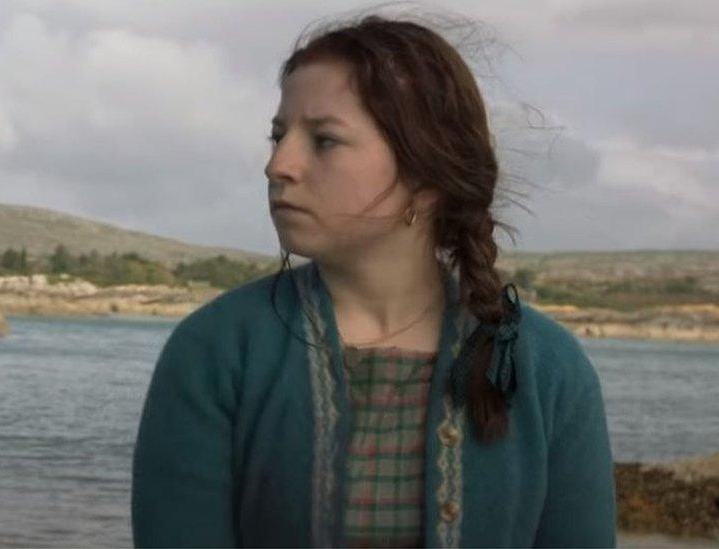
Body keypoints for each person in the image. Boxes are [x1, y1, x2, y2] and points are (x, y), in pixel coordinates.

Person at [131, 10, 616, 549]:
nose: (278, 165)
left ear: (425, 176)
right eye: (278, 135)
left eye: (324, 141)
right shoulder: (217, 351)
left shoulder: (547, 369)